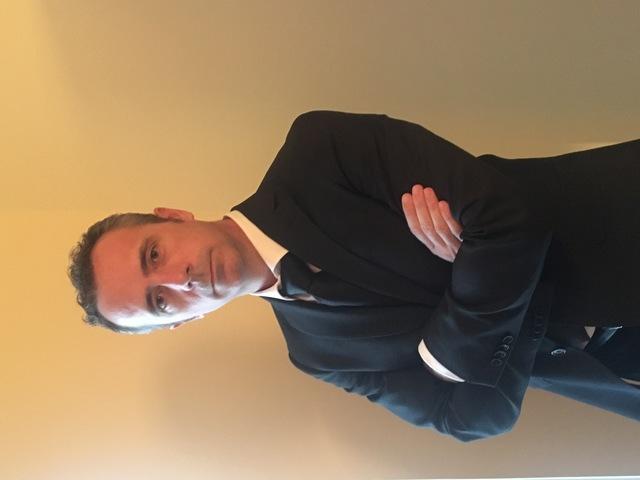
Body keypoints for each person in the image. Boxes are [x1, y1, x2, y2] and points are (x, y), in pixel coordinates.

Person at [68, 110, 640, 442]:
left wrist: (447, 354)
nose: (180, 280)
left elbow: (509, 217)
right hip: (617, 372)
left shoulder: (318, 153)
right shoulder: (318, 354)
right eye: (160, 302)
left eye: (153, 255)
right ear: (180, 322)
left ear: (172, 217)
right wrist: (471, 273)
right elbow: (470, 419)